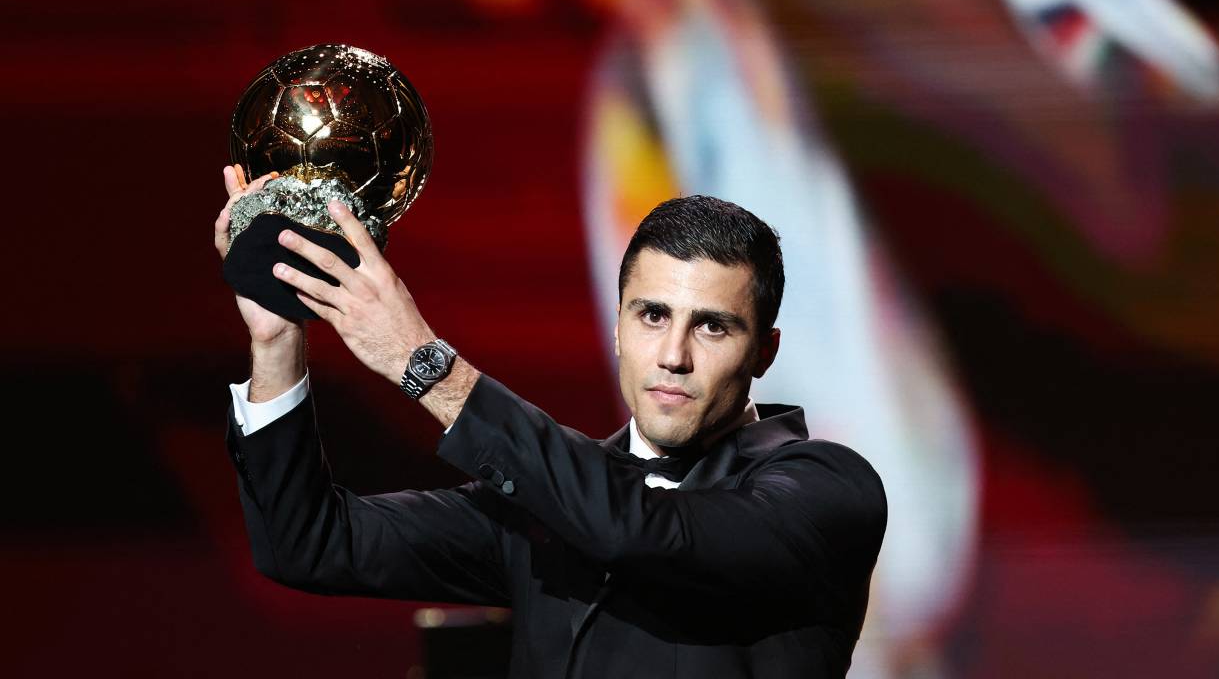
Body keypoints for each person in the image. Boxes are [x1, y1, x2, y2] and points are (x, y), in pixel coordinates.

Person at [213, 165, 887, 678]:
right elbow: (307, 543)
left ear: (764, 351)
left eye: (712, 326)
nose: (674, 356)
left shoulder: (827, 490)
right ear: (617, 326)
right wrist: (276, 342)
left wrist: (428, 366)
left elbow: (636, 530)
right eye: (652, 316)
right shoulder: (543, 503)